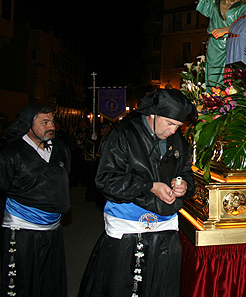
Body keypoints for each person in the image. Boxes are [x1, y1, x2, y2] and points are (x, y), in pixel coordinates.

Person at [78, 89, 197, 297]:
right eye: (169, 123)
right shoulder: (124, 135)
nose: (173, 131)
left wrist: (184, 186)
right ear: (152, 114)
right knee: (123, 286)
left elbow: (187, 174)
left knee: (161, 287)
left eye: (178, 126)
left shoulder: (179, 142)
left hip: (165, 230)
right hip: (129, 229)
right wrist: (149, 186)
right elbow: (105, 180)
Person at [0, 104, 71, 296]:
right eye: (45, 122)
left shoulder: (61, 149)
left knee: (49, 278)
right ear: (28, 125)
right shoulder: (11, 153)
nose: (52, 126)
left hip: (52, 229)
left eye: (52, 122)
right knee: (23, 280)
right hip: (22, 231)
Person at [187, 0, 246, 88]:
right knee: (212, 78)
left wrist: (226, 29)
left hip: (233, 45)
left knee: (231, 79)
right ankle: (211, 103)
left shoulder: (243, 9)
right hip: (215, 46)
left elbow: (245, 26)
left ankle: (227, 105)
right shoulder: (213, 3)